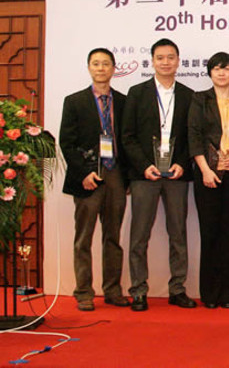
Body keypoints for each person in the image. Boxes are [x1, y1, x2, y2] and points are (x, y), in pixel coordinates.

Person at [121, 38, 196, 312]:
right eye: (160, 57)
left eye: (171, 57)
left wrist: (181, 163)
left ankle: (177, 289)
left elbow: (191, 137)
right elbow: (127, 136)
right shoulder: (137, 93)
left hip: (176, 175)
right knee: (139, 235)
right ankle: (138, 291)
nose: (166, 62)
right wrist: (143, 165)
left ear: (178, 61)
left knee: (179, 233)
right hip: (145, 175)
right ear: (152, 61)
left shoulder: (190, 95)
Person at [59, 48, 130, 311]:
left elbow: (127, 140)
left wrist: (128, 179)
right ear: (89, 68)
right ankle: (84, 291)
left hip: (115, 175)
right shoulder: (74, 101)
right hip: (88, 175)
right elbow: (67, 142)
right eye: (96, 64)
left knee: (113, 236)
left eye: (106, 64)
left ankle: (112, 290)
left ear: (113, 68)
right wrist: (83, 173)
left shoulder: (123, 102)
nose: (101, 68)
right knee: (84, 237)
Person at [188, 52, 229, 309]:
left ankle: (228, 294)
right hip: (207, 173)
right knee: (210, 231)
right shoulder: (199, 99)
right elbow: (194, 135)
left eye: (226, 69)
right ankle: (210, 293)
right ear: (210, 72)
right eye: (216, 68)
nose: (221, 73)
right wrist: (205, 169)